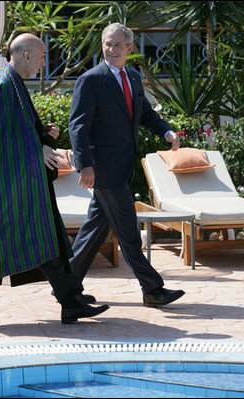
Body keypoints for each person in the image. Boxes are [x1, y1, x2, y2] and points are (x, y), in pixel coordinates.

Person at [0, 33, 109, 327]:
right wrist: (38, 147)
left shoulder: (10, 83)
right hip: (4, 188)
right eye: (43, 56)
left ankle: (71, 301)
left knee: (44, 239)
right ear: (28, 55)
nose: (44, 63)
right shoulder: (3, 85)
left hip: (16, 184)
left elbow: (19, 130)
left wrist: (43, 135)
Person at [68, 23, 185, 307]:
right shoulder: (91, 79)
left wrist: (167, 132)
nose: (112, 49)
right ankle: (152, 288)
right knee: (129, 231)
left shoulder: (132, 76)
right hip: (103, 169)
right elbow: (78, 125)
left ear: (130, 48)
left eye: (118, 45)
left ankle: (66, 285)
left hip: (122, 166)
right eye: (108, 44)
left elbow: (144, 113)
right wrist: (85, 165)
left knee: (94, 229)